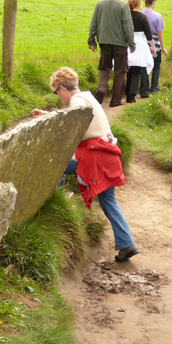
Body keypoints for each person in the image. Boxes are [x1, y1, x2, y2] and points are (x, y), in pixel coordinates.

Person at [32, 67, 139, 263]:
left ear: (63, 88)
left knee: (57, 165)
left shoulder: (78, 101)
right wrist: (47, 115)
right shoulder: (86, 96)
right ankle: (127, 244)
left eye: (56, 92)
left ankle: (58, 205)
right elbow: (69, 117)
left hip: (95, 158)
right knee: (108, 201)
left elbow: (71, 123)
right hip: (107, 155)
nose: (58, 97)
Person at [87, 0, 135, 107]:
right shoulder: (123, 5)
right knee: (120, 71)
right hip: (120, 44)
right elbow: (128, 26)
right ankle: (115, 101)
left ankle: (101, 88)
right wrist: (132, 43)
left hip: (104, 42)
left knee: (105, 68)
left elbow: (93, 24)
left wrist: (91, 41)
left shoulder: (99, 4)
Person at [125, 0, 155, 104]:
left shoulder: (125, 16)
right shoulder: (142, 17)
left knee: (128, 71)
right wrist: (153, 47)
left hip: (127, 44)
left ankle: (127, 92)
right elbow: (149, 35)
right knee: (136, 71)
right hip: (140, 46)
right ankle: (131, 96)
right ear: (139, 3)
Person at [142, 0, 167, 95]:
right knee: (156, 66)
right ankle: (154, 87)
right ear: (153, 2)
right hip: (155, 43)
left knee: (144, 66)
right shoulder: (157, 16)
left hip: (143, 42)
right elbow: (159, 33)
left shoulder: (140, 13)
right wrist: (163, 47)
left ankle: (144, 89)